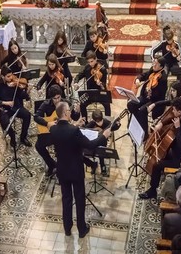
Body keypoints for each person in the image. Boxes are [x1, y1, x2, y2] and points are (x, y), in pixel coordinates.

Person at [49, 101, 111, 238]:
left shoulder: (53, 129)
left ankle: (67, 228)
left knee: (66, 199)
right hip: (76, 170)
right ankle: (82, 229)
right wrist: (104, 136)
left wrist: (75, 124)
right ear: (65, 113)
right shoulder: (74, 131)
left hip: (62, 169)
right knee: (79, 198)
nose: (70, 112)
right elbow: (90, 144)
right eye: (69, 110)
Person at [139, 97, 181, 199]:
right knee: (160, 151)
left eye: (174, 110)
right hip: (174, 149)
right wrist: (161, 123)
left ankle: (152, 191)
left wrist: (177, 129)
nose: (172, 111)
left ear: (180, 112)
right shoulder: (180, 117)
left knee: (157, 165)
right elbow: (171, 119)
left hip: (180, 158)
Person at [34, 85, 81, 176]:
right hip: (51, 132)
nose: (57, 100)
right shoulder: (46, 104)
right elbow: (36, 117)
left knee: (62, 146)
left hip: (63, 132)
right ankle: (52, 165)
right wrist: (47, 123)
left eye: (58, 97)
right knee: (38, 146)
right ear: (51, 98)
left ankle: (63, 169)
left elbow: (74, 117)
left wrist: (77, 112)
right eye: (54, 98)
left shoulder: (66, 103)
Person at [0, 65, 32, 148]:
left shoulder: (14, 83)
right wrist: (5, 102)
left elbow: (21, 95)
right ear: (2, 76)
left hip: (15, 106)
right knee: (6, 123)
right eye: (8, 76)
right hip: (4, 108)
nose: (11, 78)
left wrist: (26, 91)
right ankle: (12, 137)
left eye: (11, 75)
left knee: (27, 115)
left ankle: (23, 137)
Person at [127, 56, 168, 138]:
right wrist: (138, 79)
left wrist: (150, 92)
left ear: (161, 66)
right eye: (154, 62)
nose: (154, 65)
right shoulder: (152, 70)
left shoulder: (163, 78)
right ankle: (136, 126)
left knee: (142, 110)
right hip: (145, 97)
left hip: (154, 100)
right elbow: (143, 75)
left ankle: (145, 133)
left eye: (156, 64)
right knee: (131, 104)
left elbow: (160, 95)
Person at [73, 51, 110, 121]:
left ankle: (107, 122)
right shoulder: (87, 68)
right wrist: (76, 82)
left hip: (100, 92)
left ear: (96, 59)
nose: (90, 64)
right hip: (89, 93)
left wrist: (101, 84)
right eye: (89, 62)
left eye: (92, 61)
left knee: (107, 104)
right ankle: (85, 122)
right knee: (82, 104)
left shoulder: (102, 69)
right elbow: (78, 76)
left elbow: (104, 84)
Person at [83, 109, 121, 176]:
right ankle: (93, 164)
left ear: (102, 118)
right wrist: (95, 129)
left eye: (100, 121)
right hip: (94, 141)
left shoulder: (107, 123)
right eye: (97, 122)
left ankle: (103, 166)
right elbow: (85, 129)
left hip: (103, 142)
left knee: (101, 151)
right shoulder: (93, 123)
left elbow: (113, 127)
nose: (99, 123)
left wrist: (117, 125)